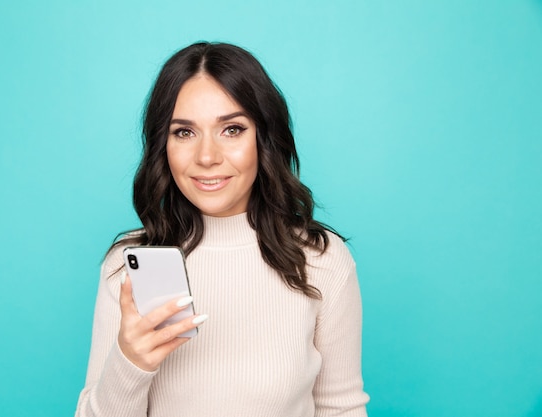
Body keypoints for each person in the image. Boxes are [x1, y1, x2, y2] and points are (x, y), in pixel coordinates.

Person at [75, 41, 369, 417]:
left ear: (263, 138)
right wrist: (131, 362)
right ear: (162, 145)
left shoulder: (319, 259)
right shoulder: (129, 270)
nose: (207, 157)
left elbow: (341, 409)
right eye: (184, 132)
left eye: (231, 129)